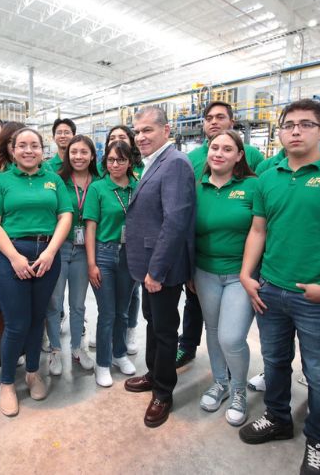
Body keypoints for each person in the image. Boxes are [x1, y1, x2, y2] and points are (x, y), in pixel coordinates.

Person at [238, 99, 320, 475]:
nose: (296, 131)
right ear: (279, 131)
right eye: (289, 125)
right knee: (276, 362)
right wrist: (248, 276)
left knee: (319, 374)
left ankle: (318, 441)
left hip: (317, 297)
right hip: (271, 291)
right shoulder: (268, 177)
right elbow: (258, 229)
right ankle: (279, 418)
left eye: (306, 125)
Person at [0, 127, 72, 417]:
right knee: (17, 323)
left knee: (37, 320)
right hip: (10, 257)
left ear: (42, 149)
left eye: (34, 145)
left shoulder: (53, 180)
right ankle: (7, 382)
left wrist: (50, 252)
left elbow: (65, 216)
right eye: (22, 145)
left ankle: (33, 372)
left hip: (46, 255)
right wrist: (14, 257)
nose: (28, 150)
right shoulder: (1, 181)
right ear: (12, 149)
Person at [177, 100, 264, 369]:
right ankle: (189, 348)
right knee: (196, 309)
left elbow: (258, 203)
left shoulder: (252, 155)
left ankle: (233, 372)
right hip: (203, 259)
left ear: (232, 122)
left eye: (220, 117)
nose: (214, 122)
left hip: (239, 264)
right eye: (209, 118)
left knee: (230, 330)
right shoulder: (191, 158)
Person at [124, 106, 196, 428]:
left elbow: (175, 222)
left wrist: (156, 271)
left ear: (167, 131)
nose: (140, 137)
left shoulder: (176, 164)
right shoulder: (155, 162)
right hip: (149, 265)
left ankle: (164, 393)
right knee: (153, 323)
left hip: (161, 268)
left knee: (166, 331)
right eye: (137, 131)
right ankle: (154, 374)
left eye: (147, 130)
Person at [193, 130, 257, 426]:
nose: (218, 153)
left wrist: (249, 273)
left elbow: (261, 232)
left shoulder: (252, 187)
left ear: (239, 156)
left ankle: (239, 390)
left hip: (240, 275)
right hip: (204, 271)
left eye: (227, 149)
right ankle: (220, 382)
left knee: (231, 337)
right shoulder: (197, 188)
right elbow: (186, 233)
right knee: (213, 330)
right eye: (214, 147)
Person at [84, 140, 138, 387]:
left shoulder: (137, 187)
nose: (115, 164)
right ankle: (102, 363)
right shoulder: (98, 188)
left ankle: (119, 354)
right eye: (111, 160)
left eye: (121, 160)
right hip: (104, 255)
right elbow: (90, 227)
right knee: (107, 313)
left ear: (129, 162)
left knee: (123, 311)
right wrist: (91, 263)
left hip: (130, 255)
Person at [46, 135, 99, 375]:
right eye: (74, 152)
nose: (78, 157)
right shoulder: (57, 181)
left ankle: (78, 347)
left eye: (83, 152)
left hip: (84, 250)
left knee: (77, 304)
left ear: (92, 155)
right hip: (60, 247)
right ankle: (55, 350)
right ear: (67, 155)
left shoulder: (98, 182)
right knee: (55, 302)